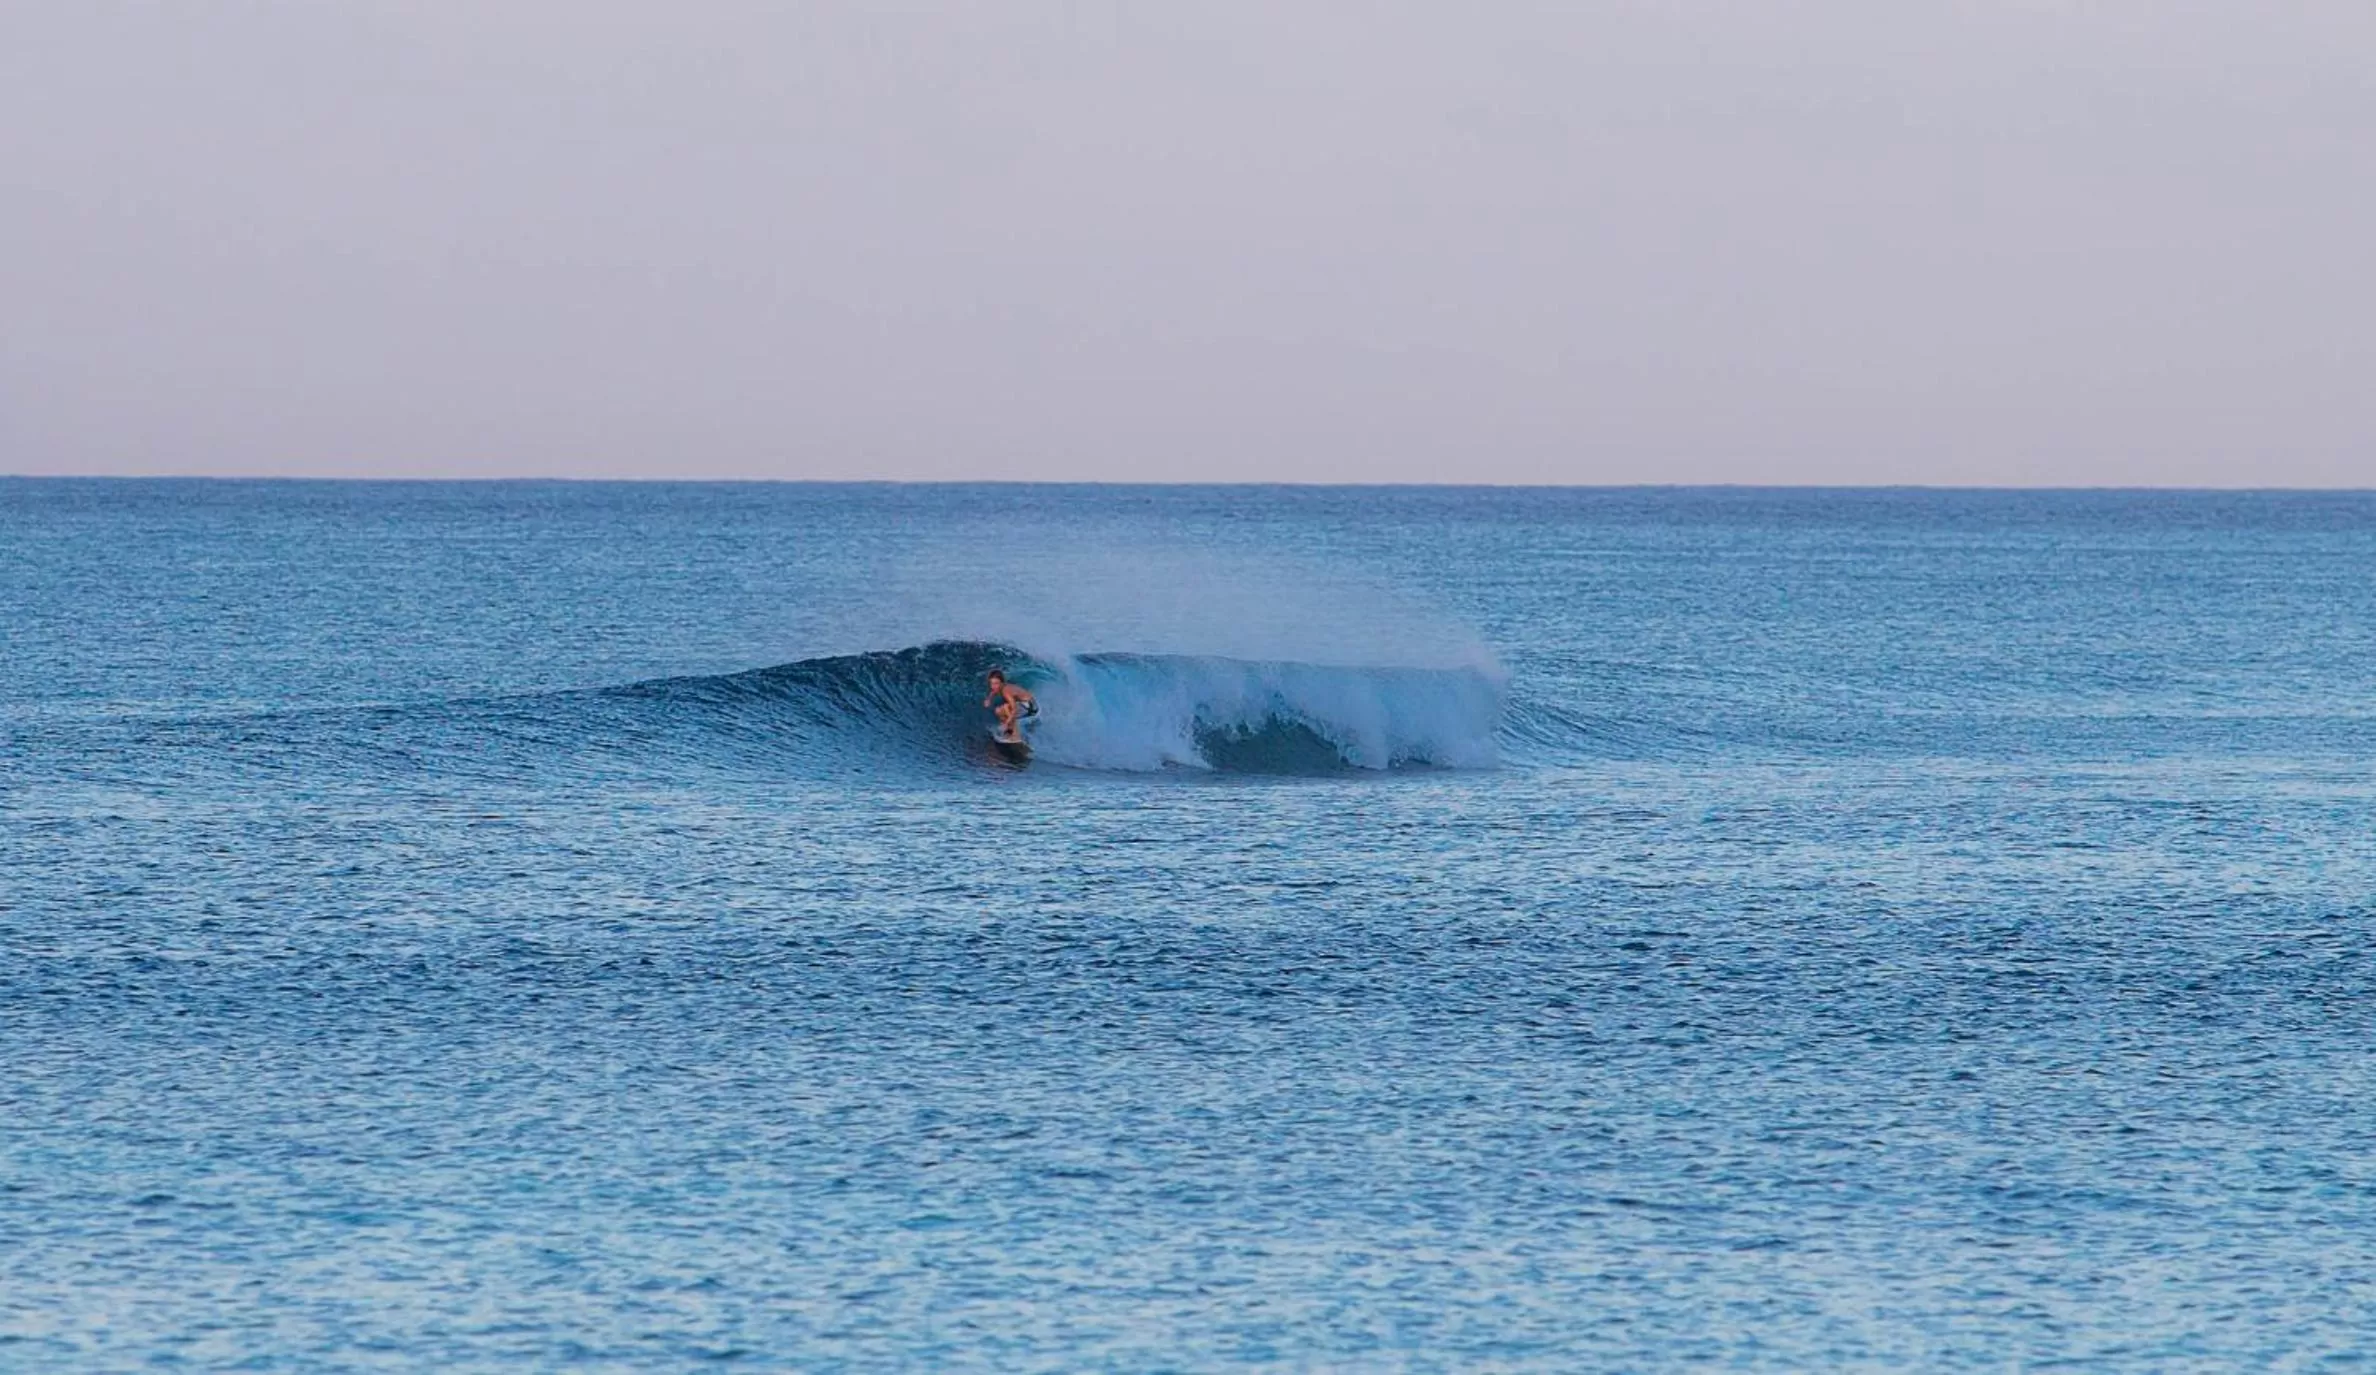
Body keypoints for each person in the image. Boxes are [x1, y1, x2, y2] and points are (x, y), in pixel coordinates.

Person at [984, 667, 1036, 742]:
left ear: (1002, 683)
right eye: (991, 683)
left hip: (1031, 706)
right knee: (998, 710)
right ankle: (1008, 731)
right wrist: (988, 699)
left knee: (1006, 708)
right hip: (1024, 704)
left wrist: (1007, 722)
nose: (993, 686)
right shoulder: (1000, 687)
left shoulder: (1006, 691)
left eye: (996, 683)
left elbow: (1014, 709)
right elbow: (993, 692)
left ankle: (1016, 736)